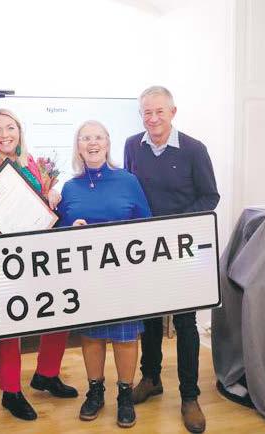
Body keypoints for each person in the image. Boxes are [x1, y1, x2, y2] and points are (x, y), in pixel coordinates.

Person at [124, 85, 220, 433]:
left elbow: (210, 196)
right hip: (145, 250)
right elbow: (130, 191)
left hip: (183, 248)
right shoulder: (132, 145)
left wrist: (174, 228)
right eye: (146, 113)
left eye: (159, 112)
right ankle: (151, 379)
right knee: (149, 318)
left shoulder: (194, 149)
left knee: (185, 323)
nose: (152, 119)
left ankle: (190, 396)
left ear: (173, 112)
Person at [0, 108, 78, 421]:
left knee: (59, 310)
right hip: (7, 258)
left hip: (41, 253)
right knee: (10, 324)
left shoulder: (31, 163)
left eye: (10, 128)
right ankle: (11, 392)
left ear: (19, 131)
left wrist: (52, 194)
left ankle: (47, 373)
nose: (5, 135)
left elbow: (42, 205)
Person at [58, 120, 151, 428]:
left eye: (98, 137)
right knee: (92, 336)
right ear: (78, 146)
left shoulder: (128, 181)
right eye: (86, 138)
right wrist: (70, 228)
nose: (92, 143)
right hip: (87, 278)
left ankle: (125, 396)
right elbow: (57, 232)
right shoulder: (69, 187)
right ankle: (95, 392)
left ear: (108, 143)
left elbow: (147, 225)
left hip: (124, 276)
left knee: (126, 336)